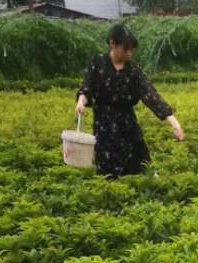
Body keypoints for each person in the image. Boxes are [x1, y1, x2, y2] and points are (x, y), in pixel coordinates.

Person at [75, 24, 185, 179]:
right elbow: (87, 87)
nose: (129, 53)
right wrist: (81, 101)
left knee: (142, 166)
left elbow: (150, 95)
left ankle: (148, 197)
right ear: (113, 43)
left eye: (132, 50)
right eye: (125, 49)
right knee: (108, 172)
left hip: (128, 124)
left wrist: (174, 124)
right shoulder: (98, 63)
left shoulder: (133, 70)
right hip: (104, 125)